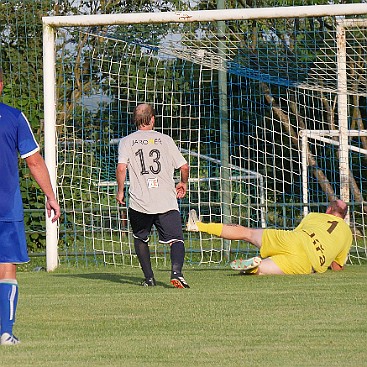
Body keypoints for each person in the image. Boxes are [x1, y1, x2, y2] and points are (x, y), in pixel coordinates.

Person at [0, 67, 61, 345]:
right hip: (6, 206)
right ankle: (6, 332)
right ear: (1, 85)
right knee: (6, 269)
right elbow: (34, 161)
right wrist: (50, 195)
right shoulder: (14, 117)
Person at [116, 103, 190, 288]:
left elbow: (121, 167)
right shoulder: (165, 140)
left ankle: (149, 278)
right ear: (152, 119)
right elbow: (184, 166)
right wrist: (183, 183)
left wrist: (120, 190)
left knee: (141, 238)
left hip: (140, 201)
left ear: (135, 120)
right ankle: (176, 273)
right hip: (165, 199)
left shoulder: (126, 141)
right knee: (176, 239)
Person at [186, 199, 353, 275]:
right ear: (344, 217)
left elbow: (297, 232)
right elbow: (337, 266)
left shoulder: (314, 216)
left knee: (247, 233)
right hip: (307, 262)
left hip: (294, 240)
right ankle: (254, 267)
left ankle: (198, 225)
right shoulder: (347, 233)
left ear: (329, 210)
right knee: (262, 270)